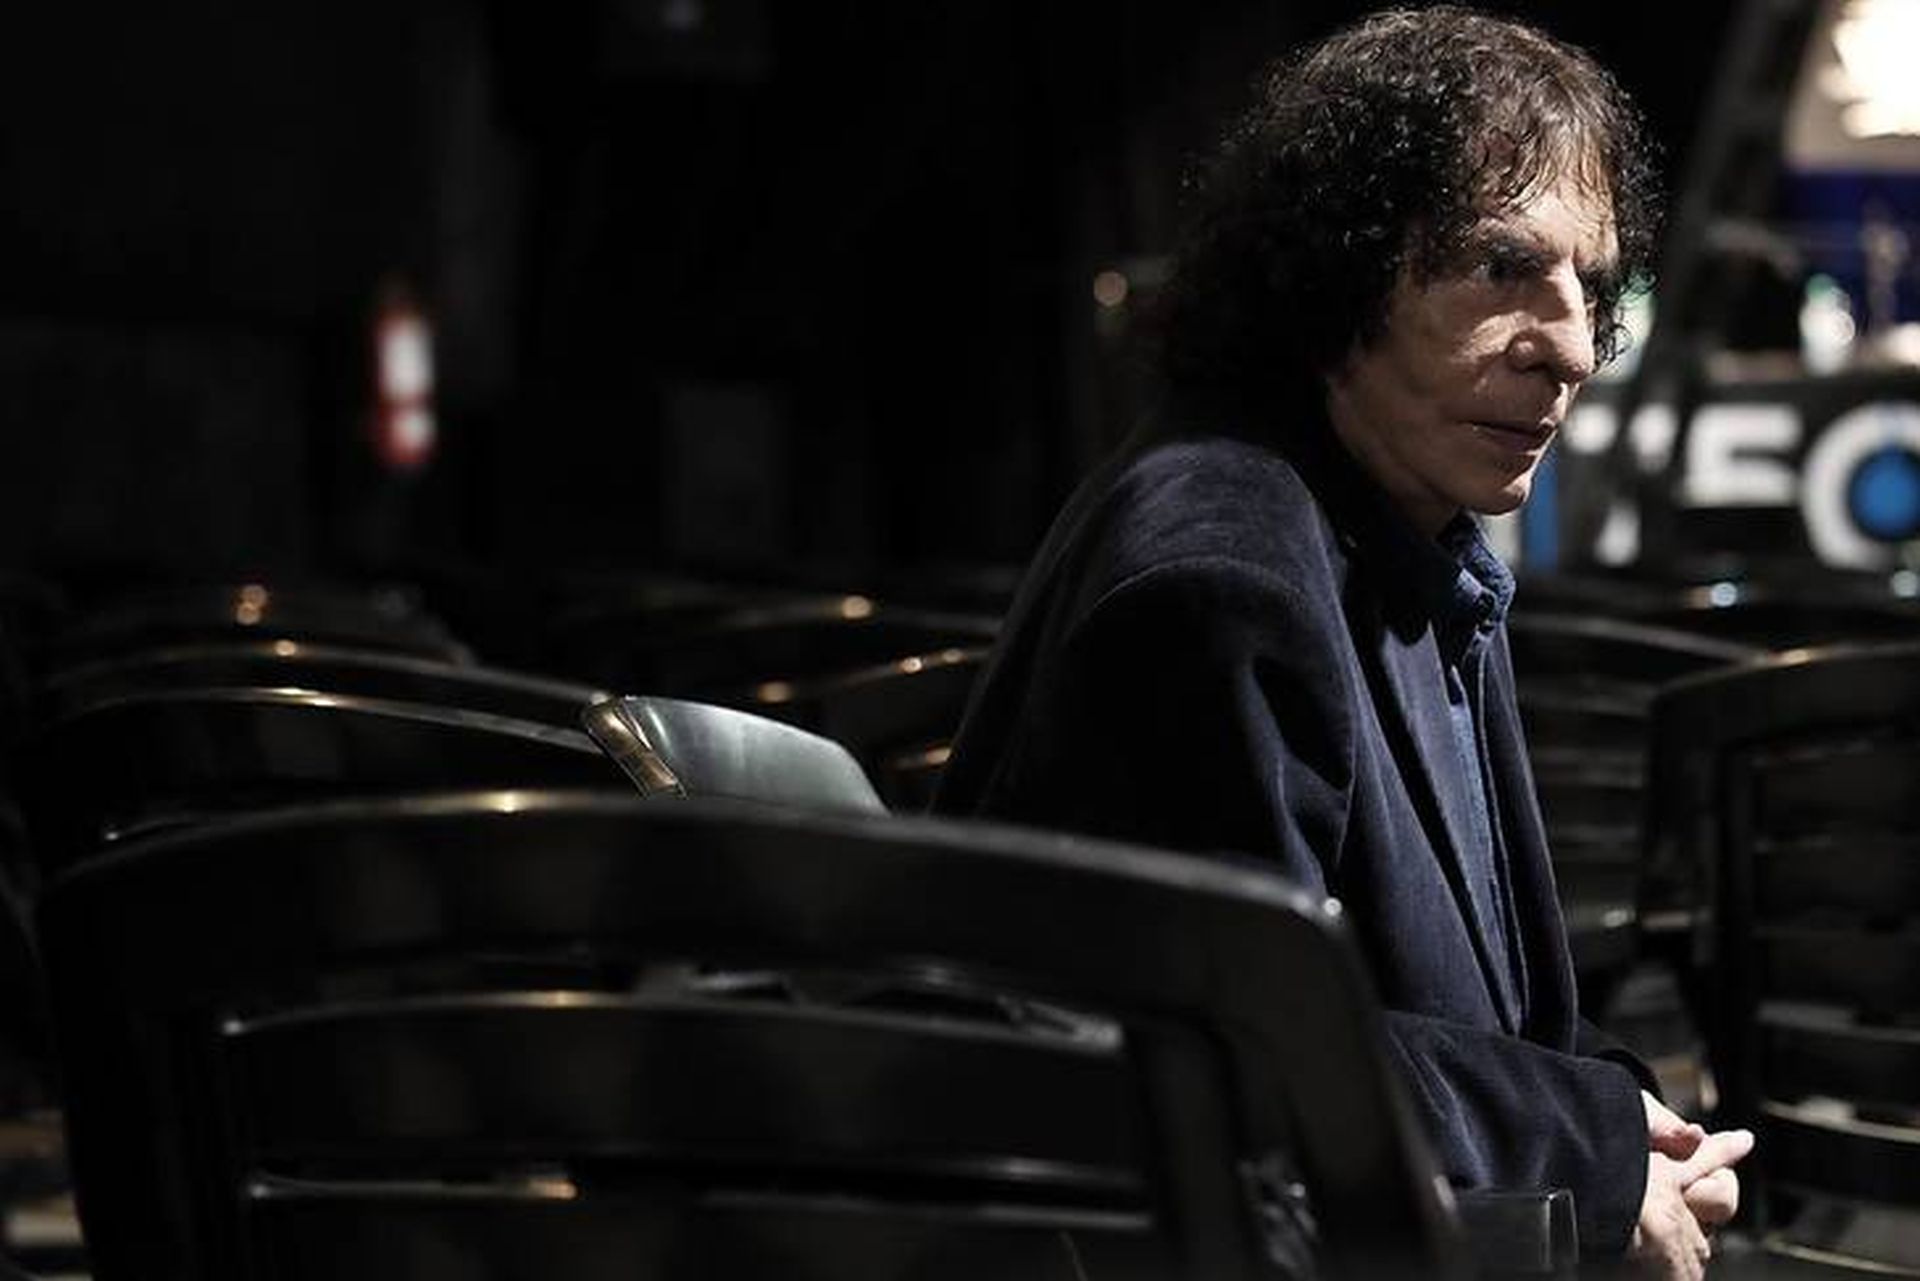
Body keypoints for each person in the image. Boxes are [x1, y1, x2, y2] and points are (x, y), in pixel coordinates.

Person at [933, 7, 1751, 1277]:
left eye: (1589, 288)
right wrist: (1592, 1154)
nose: (1571, 348)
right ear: (1342, 270)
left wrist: (1638, 1135)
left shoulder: (1400, 528)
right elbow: (1229, 1055)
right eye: (1502, 266)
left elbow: (1481, 1023)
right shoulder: (1225, 568)